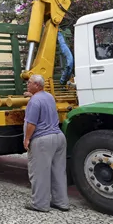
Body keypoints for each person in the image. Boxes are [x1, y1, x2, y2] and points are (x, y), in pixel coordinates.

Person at [22, 74, 69, 213]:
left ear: (37, 85)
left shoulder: (34, 102)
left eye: (29, 82)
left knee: (39, 173)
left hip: (42, 140)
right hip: (59, 137)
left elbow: (31, 124)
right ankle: (61, 202)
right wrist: (31, 96)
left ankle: (40, 204)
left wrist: (27, 139)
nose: (27, 84)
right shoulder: (49, 97)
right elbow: (40, 102)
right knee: (59, 171)